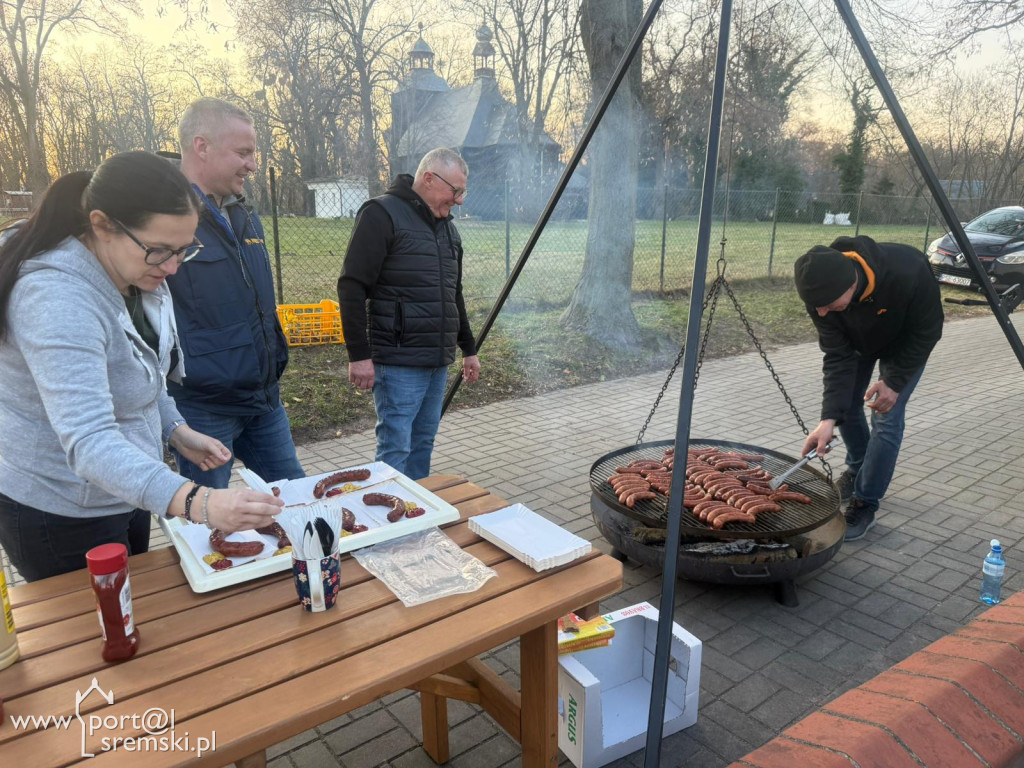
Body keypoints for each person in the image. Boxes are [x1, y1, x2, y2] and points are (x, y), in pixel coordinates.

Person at [0, 152, 284, 582]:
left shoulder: (134, 270)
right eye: (161, 251)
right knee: (96, 637)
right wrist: (200, 503)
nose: (172, 268)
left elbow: (142, 370)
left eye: (183, 251)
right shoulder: (58, 300)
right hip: (59, 510)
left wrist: (174, 428)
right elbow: (89, 440)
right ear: (102, 225)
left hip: (124, 488)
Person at [166, 98, 304, 488]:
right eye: (243, 153)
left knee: (296, 498)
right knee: (208, 522)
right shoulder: (165, 216)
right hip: (204, 407)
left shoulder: (244, 212)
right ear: (202, 146)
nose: (253, 165)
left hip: (263, 399)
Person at [338, 148, 480, 479]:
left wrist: (468, 349)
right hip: (398, 362)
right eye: (455, 191)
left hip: (437, 361)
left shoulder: (448, 229)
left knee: (423, 444)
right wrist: (358, 354)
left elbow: (452, 294)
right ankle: (387, 523)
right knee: (395, 449)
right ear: (428, 178)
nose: (459, 200)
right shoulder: (381, 214)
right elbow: (351, 286)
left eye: (462, 192)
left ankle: (416, 520)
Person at [794, 235, 943, 541]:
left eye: (826, 306)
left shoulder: (908, 270)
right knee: (846, 407)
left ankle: (865, 503)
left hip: (905, 345)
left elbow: (928, 330)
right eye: (815, 307)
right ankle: (858, 466)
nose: (820, 313)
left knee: (886, 418)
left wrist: (895, 382)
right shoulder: (820, 297)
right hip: (860, 344)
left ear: (849, 284)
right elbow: (837, 357)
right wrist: (828, 420)